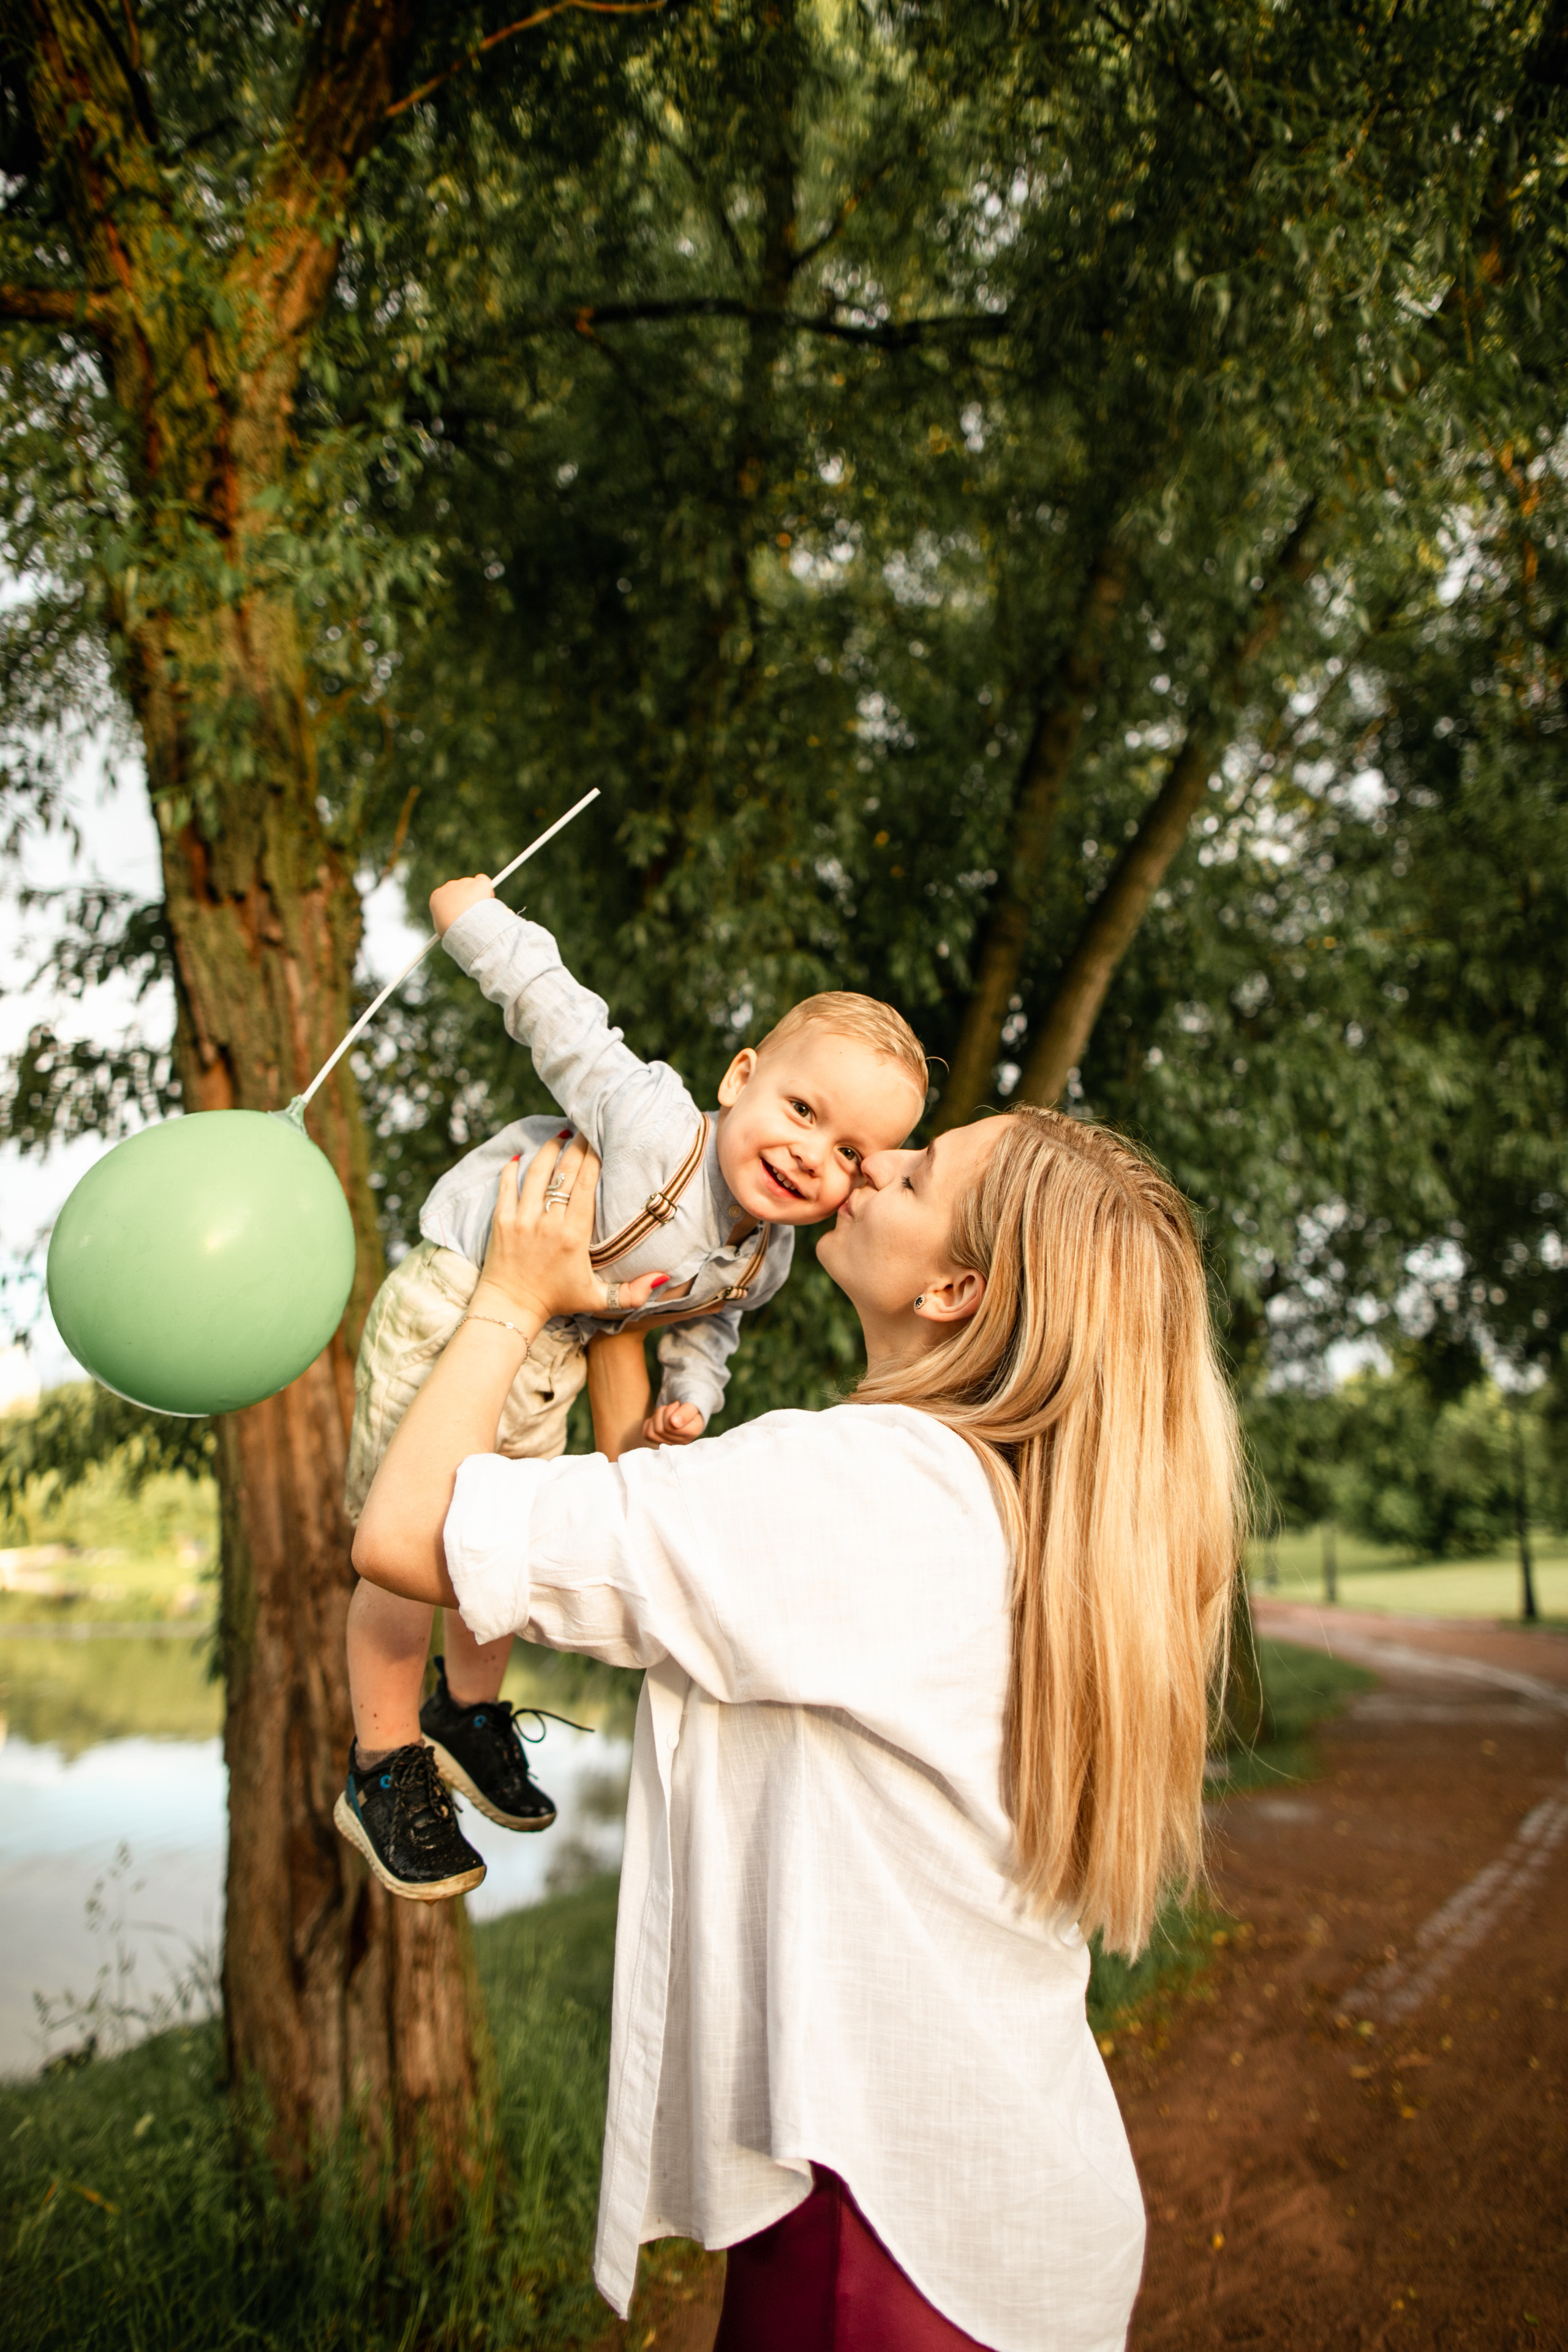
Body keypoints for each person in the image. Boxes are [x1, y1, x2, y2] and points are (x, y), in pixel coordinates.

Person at [352, 1101, 1243, 2350]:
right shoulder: (1016, 1505)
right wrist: (615, 1300)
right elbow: (636, 1507)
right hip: (1011, 2206)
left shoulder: (867, 1487)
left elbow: (404, 1532)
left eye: (917, 1170)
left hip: (880, 2250)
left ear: (954, 1289)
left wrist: (507, 1296)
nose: (873, 1160)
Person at [336, 871, 929, 1902]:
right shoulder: (656, 1124)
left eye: (849, 1153)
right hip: (457, 1306)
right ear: (741, 1076)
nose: (808, 1156)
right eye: (802, 1108)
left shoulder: (768, 1257)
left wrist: (692, 1394)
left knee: (487, 1537)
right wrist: (472, 917)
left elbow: (710, 1322)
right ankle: (380, 1764)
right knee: (404, 1552)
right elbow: (560, 1015)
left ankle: (465, 1717)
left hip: (552, 1346)